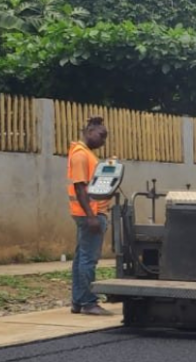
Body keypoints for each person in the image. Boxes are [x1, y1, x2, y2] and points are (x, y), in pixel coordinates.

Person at [67, 116, 112, 316]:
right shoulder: (80, 155)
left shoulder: (86, 154)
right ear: (89, 131)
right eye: (101, 136)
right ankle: (88, 302)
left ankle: (78, 301)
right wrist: (92, 216)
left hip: (88, 213)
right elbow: (80, 188)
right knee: (88, 260)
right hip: (89, 214)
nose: (103, 141)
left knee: (81, 258)